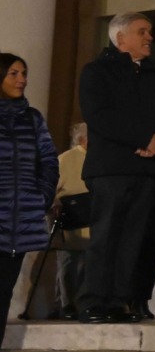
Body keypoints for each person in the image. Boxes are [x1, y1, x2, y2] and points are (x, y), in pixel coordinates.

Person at [77, 12, 155, 324]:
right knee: (106, 235)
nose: (149, 37)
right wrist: (142, 139)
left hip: (148, 170)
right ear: (120, 38)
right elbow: (99, 115)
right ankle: (93, 300)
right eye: (142, 32)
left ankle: (120, 300)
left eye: (149, 32)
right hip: (111, 167)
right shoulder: (97, 72)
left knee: (133, 238)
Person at [0, 54, 58, 352]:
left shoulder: (32, 118)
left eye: (24, 73)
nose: (21, 79)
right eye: (13, 73)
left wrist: (42, 196)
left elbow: (48, 160)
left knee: (3, 293)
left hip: (19, 223)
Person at [53, 123, 91, 320]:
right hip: (70, 217)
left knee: (89, 265)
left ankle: (84, 304)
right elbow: (50, 188)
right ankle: (66, 305)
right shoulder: (65, 159)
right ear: (83, 139)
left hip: (92, 219)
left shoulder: (99, 159)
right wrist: (56, 204)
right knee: (68, 265)